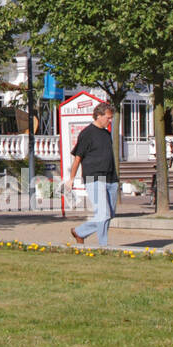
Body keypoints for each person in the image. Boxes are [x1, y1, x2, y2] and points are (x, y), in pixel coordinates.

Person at [66, 102, 119, 247]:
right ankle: (103, 246)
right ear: (99, 116)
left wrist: (116, 179)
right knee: (103, 215)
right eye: (108, 117)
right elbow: (78, 158)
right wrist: (71, 179)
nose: (110, 120)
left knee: (110, 215)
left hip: (111, 178)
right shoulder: (87, 133)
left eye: (111, 118)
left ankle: (80, 232)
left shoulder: (107, 134)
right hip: (94, 177)